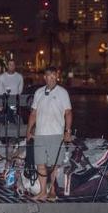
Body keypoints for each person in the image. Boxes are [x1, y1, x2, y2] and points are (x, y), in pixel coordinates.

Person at [26, 66, 73, 201]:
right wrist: (29, 130)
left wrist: (67, 131)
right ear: (44, 77)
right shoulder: (38, 92)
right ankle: (42, 192)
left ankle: (52, 190)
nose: (51, 78)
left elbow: (68, 112)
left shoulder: (62, 92)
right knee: (40, 164)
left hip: (56, 134)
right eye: (48, 76)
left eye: (54, 76)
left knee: (54, 165)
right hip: (40, 134)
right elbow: (34, 113)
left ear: (56, 77)